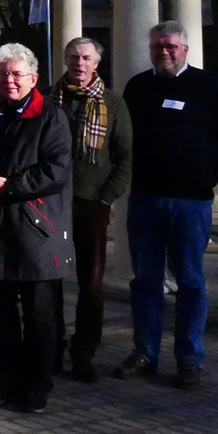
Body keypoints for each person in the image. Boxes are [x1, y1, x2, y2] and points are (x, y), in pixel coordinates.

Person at [118, 21, 218, 390]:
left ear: (185, 50)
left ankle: (189, 358)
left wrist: (207, 167)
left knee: (190, 280)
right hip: (145, 198)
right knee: (145, 279)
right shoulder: (139, 87)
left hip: (191, 202)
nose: (164, 52)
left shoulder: (210, 87)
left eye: (171, 46)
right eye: (158, 46)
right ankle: (145, 352)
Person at [0, 43, 74, 414]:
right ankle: (3, 380)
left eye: (16, 74)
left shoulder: (51, 116)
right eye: (3, 74)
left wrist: (9, 185)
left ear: (33, 78)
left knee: (40, 316)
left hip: (37, 229)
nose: (9, 81)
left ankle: (37, 385)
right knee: (0, 313)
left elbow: (56, 171)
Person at [45, 37, 132, 383]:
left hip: (91, 205)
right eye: (72, 57)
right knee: (48, 279)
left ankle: (84, 351)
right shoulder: (50, 100)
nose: (78, 63)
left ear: (96, 64)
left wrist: (106, 198)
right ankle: (51, 346)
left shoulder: (112, 104)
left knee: (91, 284)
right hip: (51, 203)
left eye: (85, 58)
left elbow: (125, 157)